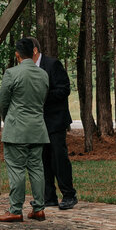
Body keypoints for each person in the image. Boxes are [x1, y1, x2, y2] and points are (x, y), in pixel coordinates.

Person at [0, 37, 50, 222]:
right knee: (36, 168)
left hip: (17, 128)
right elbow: (43, 99)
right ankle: (39, 208)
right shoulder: (43, 74)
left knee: (16, 169)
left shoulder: (12, 73)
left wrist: (8, 117)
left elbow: (3, 101)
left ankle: (15, 209)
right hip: (37, 128)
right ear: (34, 52)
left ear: (17, 54)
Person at [27, 37, 77, 210]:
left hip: (55, 120)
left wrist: (42, 96)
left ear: (34, 50)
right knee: (42, 160)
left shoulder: (52, 64)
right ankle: (49, 196)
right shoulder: (26, 68)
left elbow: (64, 89)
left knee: (58, 158)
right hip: (37, 122)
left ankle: (69, 195)